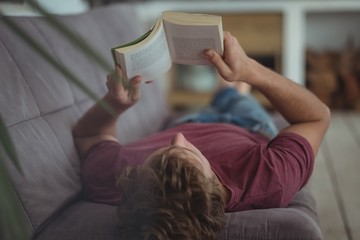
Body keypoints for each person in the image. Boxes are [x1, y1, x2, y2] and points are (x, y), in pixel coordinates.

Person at [72, 32, 330, 240]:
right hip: (247, 127)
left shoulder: (114, 178)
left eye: (161, 153)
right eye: (186, 153)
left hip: (189, 119)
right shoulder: (270, 177)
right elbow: (317, 117)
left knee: (218, 97)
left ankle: (228, 90)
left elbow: (90, 134)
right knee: (233, 95)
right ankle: (234, 89)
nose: (180, 139)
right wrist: (250, 70)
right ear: (216, 188)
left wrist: (115, 105)